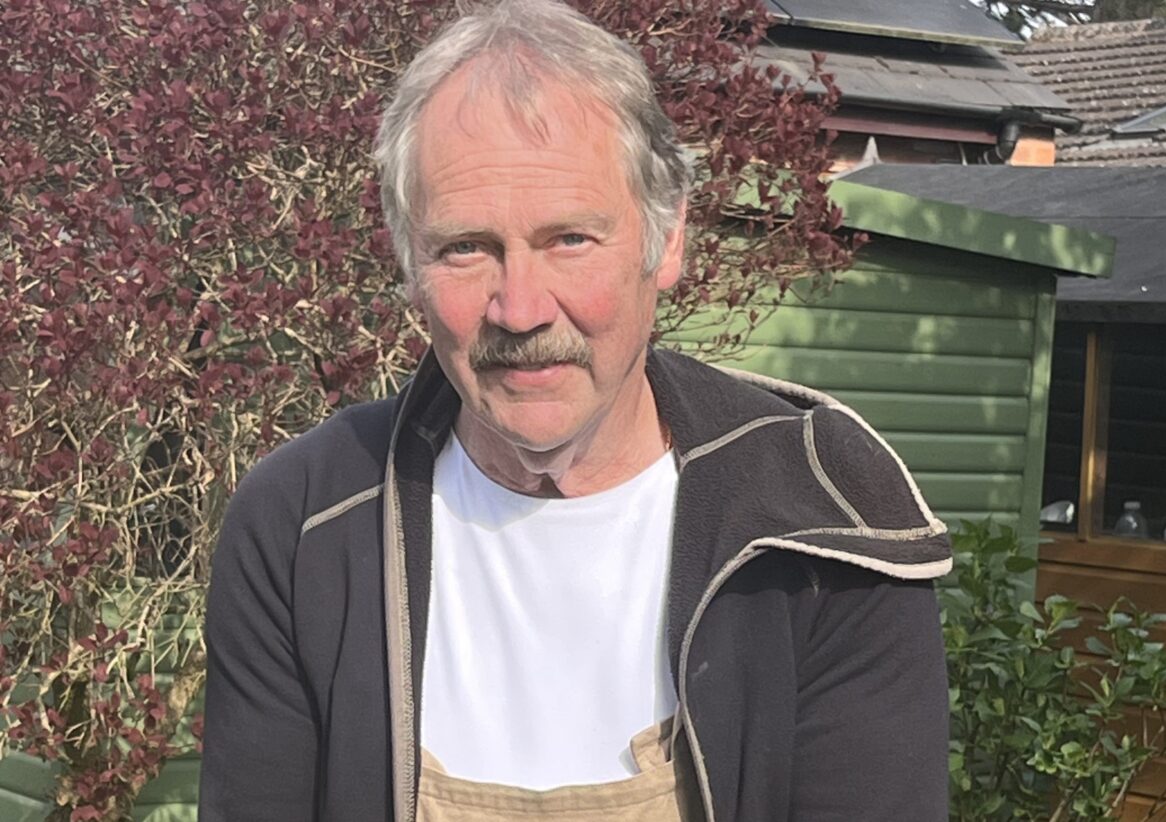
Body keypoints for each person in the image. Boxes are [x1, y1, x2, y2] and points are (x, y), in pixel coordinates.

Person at [198, 1, 953, 820]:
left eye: (570, 240)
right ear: (410, 266)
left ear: (666, 243)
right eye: (465, 248)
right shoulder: (304, 524)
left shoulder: (823, 519)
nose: (520, 310)